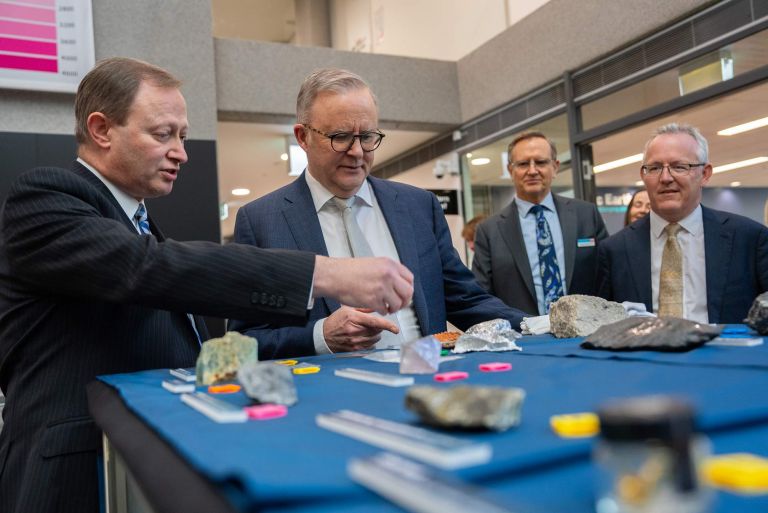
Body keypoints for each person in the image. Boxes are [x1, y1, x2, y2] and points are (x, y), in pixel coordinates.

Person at [0, 58, 414, 513]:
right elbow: (147, 270)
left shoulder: (138, 221)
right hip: (74, 476)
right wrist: (325, 273)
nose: (181, 152)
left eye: (182, 135)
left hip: (138, 468)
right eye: (163, 134)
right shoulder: (45, 198)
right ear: (102, 130)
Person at [230, 68, 525, 359]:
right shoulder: (262, 222)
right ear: (303, 136)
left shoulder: (419, 206)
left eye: (368, 136)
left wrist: (538, 325)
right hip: (330, 397)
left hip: (425, 384)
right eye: (341, 136)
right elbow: (246, 340)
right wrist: (321, 336)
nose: (357, 151)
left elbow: (465, 300)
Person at [597, 123, 768, 322]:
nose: (666, 178)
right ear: (643, 175)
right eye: (655, 168)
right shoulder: (614, 250)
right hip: (643, 352)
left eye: (679, 167)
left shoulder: (749, 239)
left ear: (705, 174)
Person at [472, 132, 609, 315]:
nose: (532, 170)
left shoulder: (586, 214)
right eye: (522, 164)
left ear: (555, 166)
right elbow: (483, 295)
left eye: (541, 162)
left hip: (585, 333)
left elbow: (607, 276)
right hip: (524, 338)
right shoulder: (489, 231)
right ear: (510, 170)